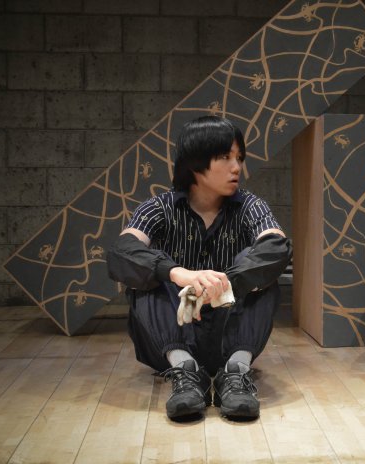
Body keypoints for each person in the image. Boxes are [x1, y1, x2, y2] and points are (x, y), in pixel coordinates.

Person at [107, 115, 291, 421]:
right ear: (195, 162)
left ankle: (236, 373)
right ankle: (186, 372)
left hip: (230, 335)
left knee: (260, 264)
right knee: (145, 269)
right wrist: (180, 274)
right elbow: (121, 252)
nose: (237, 167)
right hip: (170, 338)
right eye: (225, 157)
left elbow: (277, 248)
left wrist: (224, 283)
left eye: (239, 158)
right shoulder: (159, 207)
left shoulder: (250, 206)